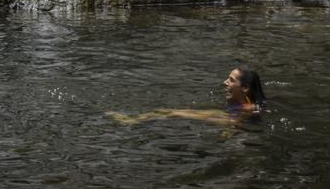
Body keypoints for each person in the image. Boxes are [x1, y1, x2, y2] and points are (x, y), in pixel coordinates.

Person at [107, 65, 266, 125]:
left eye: (231, 80)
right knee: (169, 111)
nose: (225, 82)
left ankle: (131, 121)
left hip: (229, 119)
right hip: (229, 115)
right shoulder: (241, 101)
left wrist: (229, 130)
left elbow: (236, 122)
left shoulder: (249, 107)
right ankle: (133, 120)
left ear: (245, 88)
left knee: (175, 113)